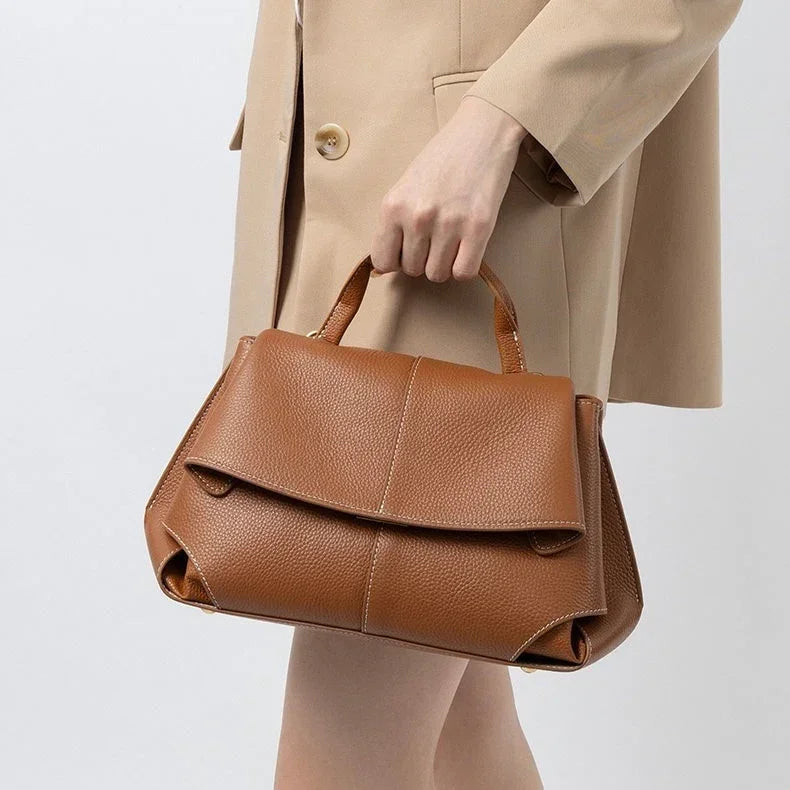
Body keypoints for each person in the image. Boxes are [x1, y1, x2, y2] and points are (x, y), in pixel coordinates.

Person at [222, 1, 742, 787]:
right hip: (361, 154)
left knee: (354, 722)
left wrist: (502, 122)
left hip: (474, 177)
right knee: (460, 718)